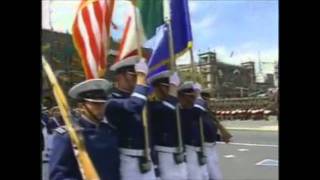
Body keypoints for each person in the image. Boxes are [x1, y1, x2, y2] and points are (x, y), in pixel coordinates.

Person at [49, 78, 120, 180]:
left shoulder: (110, 131)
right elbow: (58, 176)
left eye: (103, 103)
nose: (101, 107)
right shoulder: (68, 135)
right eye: (95, 103)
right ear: (81, 106)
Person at [105, 56, 156, 180]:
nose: (137, 78)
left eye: (138, 74)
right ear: (119, 76)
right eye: (133, 74)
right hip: (127, 160)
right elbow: (134, 105)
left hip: (147, 158)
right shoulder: (111, 100)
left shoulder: (143, 98)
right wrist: (142, 78)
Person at [148, 70, 188, 180]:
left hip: (180, 155)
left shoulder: (177, 106)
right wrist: (173, 90)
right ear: (158, 88)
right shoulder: (152, 106)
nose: (173, 90)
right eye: (169, 87)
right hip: (164, 156)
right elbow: (168, 109)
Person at [178, 81, 209, 180]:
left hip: (200, 151)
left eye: (194, 97)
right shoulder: (181, 113)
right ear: (182, 97)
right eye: (191, 97)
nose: (193, 100)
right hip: (188, 151)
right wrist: (199, 95)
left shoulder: (194, 111)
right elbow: (199, 108)